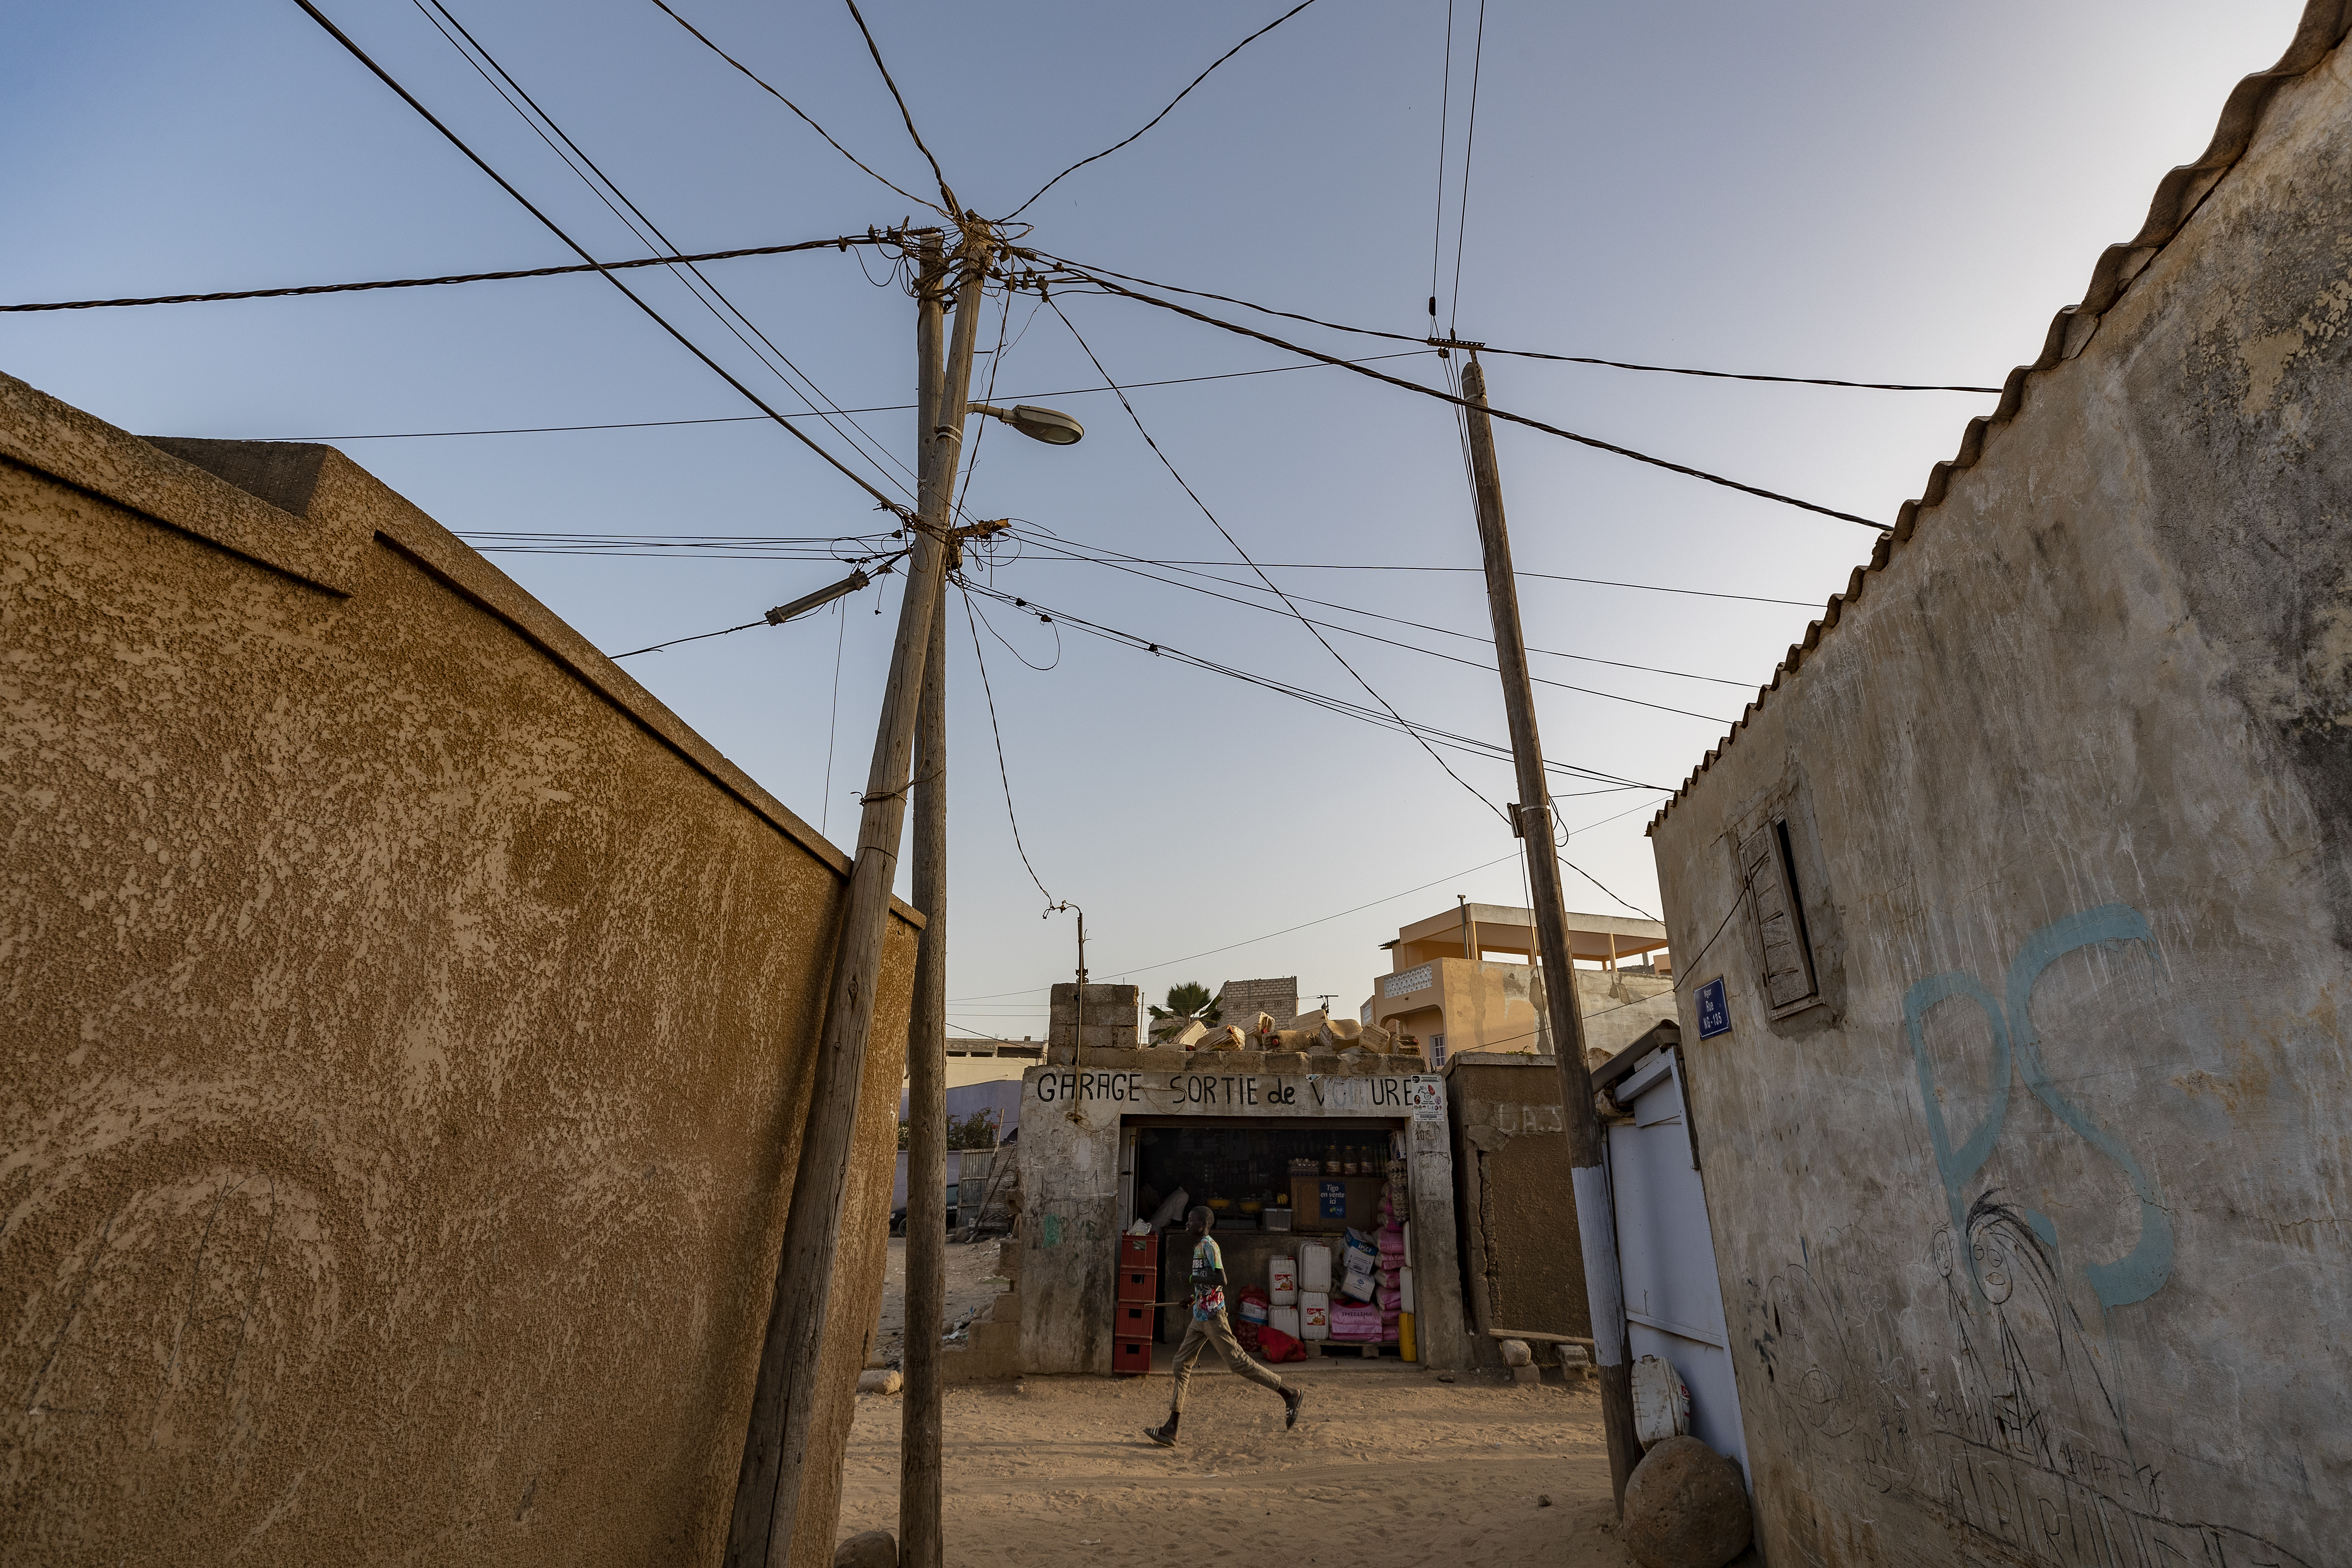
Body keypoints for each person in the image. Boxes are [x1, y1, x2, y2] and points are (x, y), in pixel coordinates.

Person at [1145, 1206, 1302, 1446]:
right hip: (1200, 1315)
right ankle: (1172, 1428)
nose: (1187, 1223)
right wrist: (1193, 1296)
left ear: (1204, 1224)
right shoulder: (1198, 1247)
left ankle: (1289, 1393)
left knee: (1238, 1363)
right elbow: (1209, 1284)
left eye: (1191, 1220)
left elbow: (1221, 1279)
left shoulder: (1210, 1245)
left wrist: (1191, 1278)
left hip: (1214, 1317)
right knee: (1180, 1364)